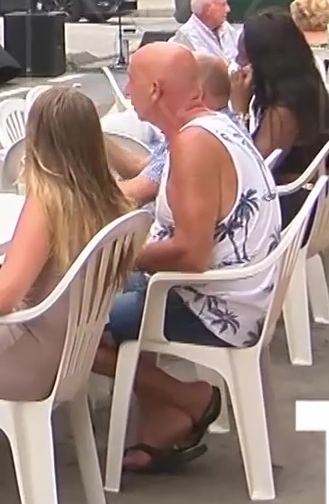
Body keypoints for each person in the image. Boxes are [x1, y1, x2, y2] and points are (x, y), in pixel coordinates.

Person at [94, 43, 280, 475]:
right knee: (98, 298)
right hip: (241, 289)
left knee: (71, 326)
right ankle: (168, 416)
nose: (127, 88)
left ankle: (188, 399)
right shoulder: (213, 125)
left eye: (133, 81)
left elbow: (190, 255)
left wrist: (120, 258)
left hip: (216, 302)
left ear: (156, 90)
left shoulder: (194, 144)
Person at [0, 89, 136, 401]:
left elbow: (2, 298)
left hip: (21, 362)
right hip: (69, 358)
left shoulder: (49, 201)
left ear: (37, 139)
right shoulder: (112, 203)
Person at [231, 8, 329, 226]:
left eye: (243, 57)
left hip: (294, 208)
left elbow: (253, 168)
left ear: (262, 62)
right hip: (312, 198)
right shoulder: (305, 86)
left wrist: (239, 110)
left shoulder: (285, 109)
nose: (237, 63)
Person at [107, 52, 239, 208]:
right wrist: (91, 135)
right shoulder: (221, 124)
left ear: (198, 93)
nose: (127, 91)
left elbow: (130, 195)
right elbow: (139, 168)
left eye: (134, 81)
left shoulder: (196, 140)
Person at [173, 0, 242, 63]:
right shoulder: (185, 38)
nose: (228, 9)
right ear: (208, 9)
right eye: (223, 4)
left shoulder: (227, 28)